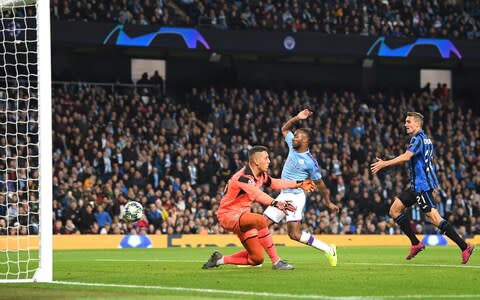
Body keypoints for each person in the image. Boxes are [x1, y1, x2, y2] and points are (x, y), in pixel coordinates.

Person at [371, 112, 474, 264]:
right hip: (416, 184)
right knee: (394, 210)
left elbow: (406, 157)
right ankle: (415, 243)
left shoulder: (418, 139)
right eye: (405, 121)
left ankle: (464, 246)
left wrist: (384, 163)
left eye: (408, 122)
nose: (405, 124)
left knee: (434, 218)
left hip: (421, 185)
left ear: (417, 124)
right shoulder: (426, 139)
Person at [202, 145, 316, 270]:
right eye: (266, 158)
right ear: (256, 161)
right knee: (261, 220)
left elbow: (275, 183)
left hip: (242, 218)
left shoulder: (261, 175)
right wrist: (277, 203)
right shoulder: (243, 177)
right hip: (228, 215)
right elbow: (257, 194)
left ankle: (219, 260)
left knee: (256, 258)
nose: (269, 161)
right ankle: (276, 262)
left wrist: (298, 184)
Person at [263, 109, 340, 267]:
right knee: (261, 225)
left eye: (297, 136)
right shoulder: (292, 147)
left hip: (296, 197)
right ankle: (254, 258)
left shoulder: (310, 162)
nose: (293, 138)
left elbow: (321, 185)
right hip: (283, 194)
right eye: (295, 135)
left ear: (306, 141)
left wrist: (328, 202)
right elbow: (284, 129)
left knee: (294, 234)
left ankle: (328, 249)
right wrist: (297, 118)